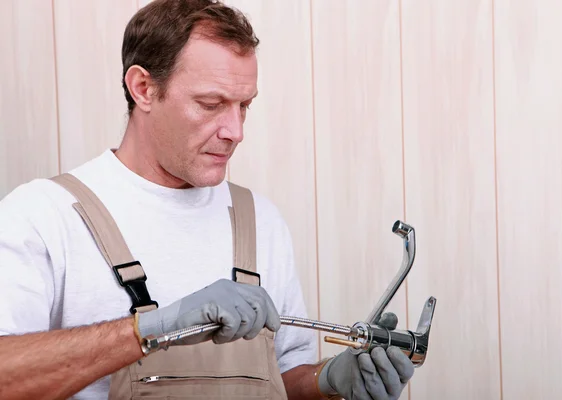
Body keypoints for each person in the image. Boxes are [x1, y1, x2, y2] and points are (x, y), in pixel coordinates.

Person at [0, 0, 415, 399]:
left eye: (244, 106)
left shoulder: (259, 221)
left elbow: (281, 379)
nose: (235, 131)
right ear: (143, 88)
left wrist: (330, 381)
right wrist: (147, 330)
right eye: (211, 104)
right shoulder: (44, 216)